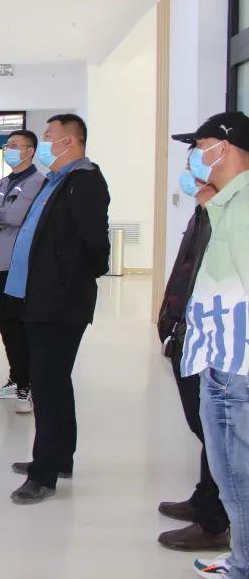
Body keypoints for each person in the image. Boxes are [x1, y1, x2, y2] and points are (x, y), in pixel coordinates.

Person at [5, 114, 110, 505]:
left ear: (70, 141)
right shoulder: (57, 180)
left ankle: (43, 473)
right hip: (39, 298)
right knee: (54, 382)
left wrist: (65, 281)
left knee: (47, 386)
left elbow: (95, 246)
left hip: (58, 302)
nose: (44, 142)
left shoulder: (85, 181)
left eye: (49, 136)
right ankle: (61, 456)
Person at [173, 112, 249, 578]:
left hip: (237, 368)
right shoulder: (228, 203)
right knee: (231, 476)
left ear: (224, 147)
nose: (193, 158)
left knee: (238, 478)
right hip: (222, 362)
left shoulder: (244, 206)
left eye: (200, 147)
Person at [154, 151, 229, 552]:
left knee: (216, 430)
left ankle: (215, 522)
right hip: (187, 331)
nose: (188, 171)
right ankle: (205, 498)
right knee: (205, 426)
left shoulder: (230, 214)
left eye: (197, 158)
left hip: (215, 338)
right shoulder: (204, 210)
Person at [0, 130, 45, 412]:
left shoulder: (37, 181)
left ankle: (27, 387)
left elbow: (16, 216)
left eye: (16, 145)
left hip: (21, 266)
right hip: (0, 264)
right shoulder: (3, 182)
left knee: (20, 326)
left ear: (30, 151)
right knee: (6, 326)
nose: (10, 149)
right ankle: (17, 379)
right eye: (8, 145)